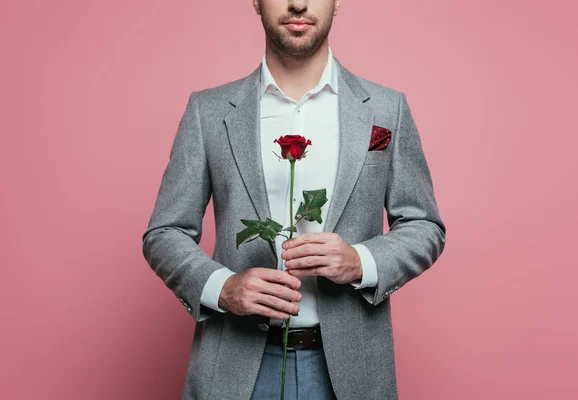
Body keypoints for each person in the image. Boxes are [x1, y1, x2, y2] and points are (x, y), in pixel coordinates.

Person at [141, 0, 446, 399]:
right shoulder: (209, 112)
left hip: (350, 371)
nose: (298, 3)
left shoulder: (387, 109)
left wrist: (360, 261)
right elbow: (165, 232)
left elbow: (424, 225)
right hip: (237, 366)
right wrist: (223, 287)